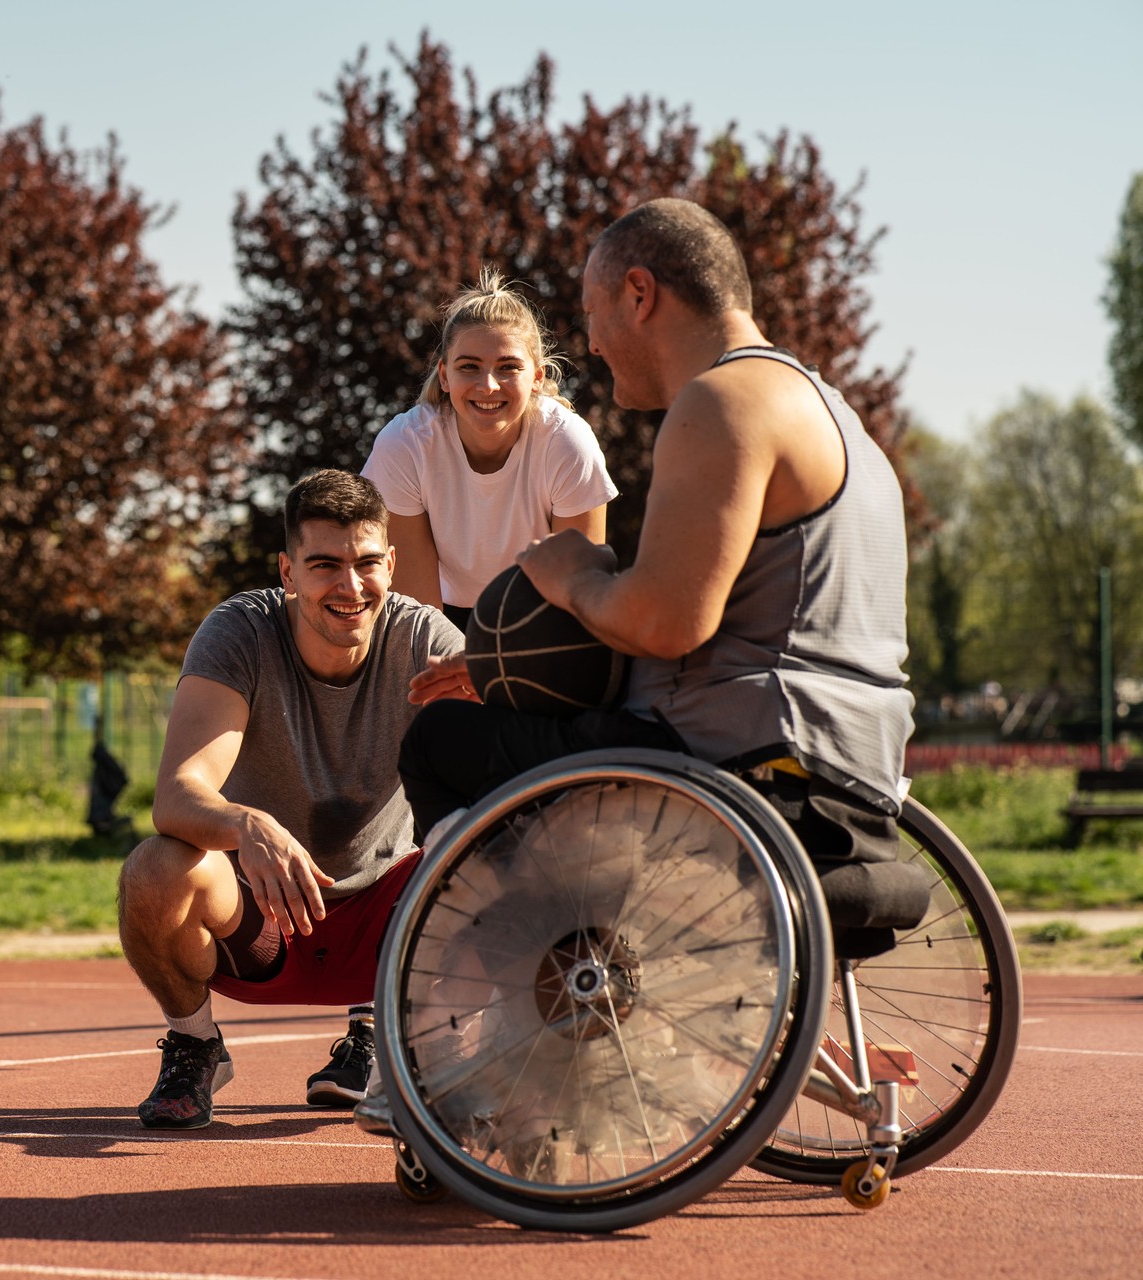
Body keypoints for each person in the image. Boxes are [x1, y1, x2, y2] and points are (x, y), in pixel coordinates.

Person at [397, 197, 918, 963]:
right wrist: (499, 669)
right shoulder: (835, 414)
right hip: (862, 767)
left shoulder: (720, 402)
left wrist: (574, 575)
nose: (595, 345)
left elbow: (669, 625)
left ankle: (522, 971)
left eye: (594, 313)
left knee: (438, 742)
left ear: (639, 294)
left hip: (740, 758)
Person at [116, 469, 464, 1129]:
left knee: (484, 854)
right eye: (325, 565)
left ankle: (389, 1035)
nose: (350, 585)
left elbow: (489, 778)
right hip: (267, 920)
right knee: (155, 869)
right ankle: (194, 1046)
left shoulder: (425, 641)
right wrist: (250, 825)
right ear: (288, 570)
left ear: (391, 564)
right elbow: (176, 795)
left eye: (367, 563)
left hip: (386, 924)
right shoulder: (240, 633)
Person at [362, 267, 618, 632]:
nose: (488, 385)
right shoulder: (404, 445)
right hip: (443, 614)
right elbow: (420, 618)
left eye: (508, 367)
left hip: (541, 615)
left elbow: (578, 596)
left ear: (537, 377)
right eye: (469, 367)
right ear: (445, 375)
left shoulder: (567, 443)